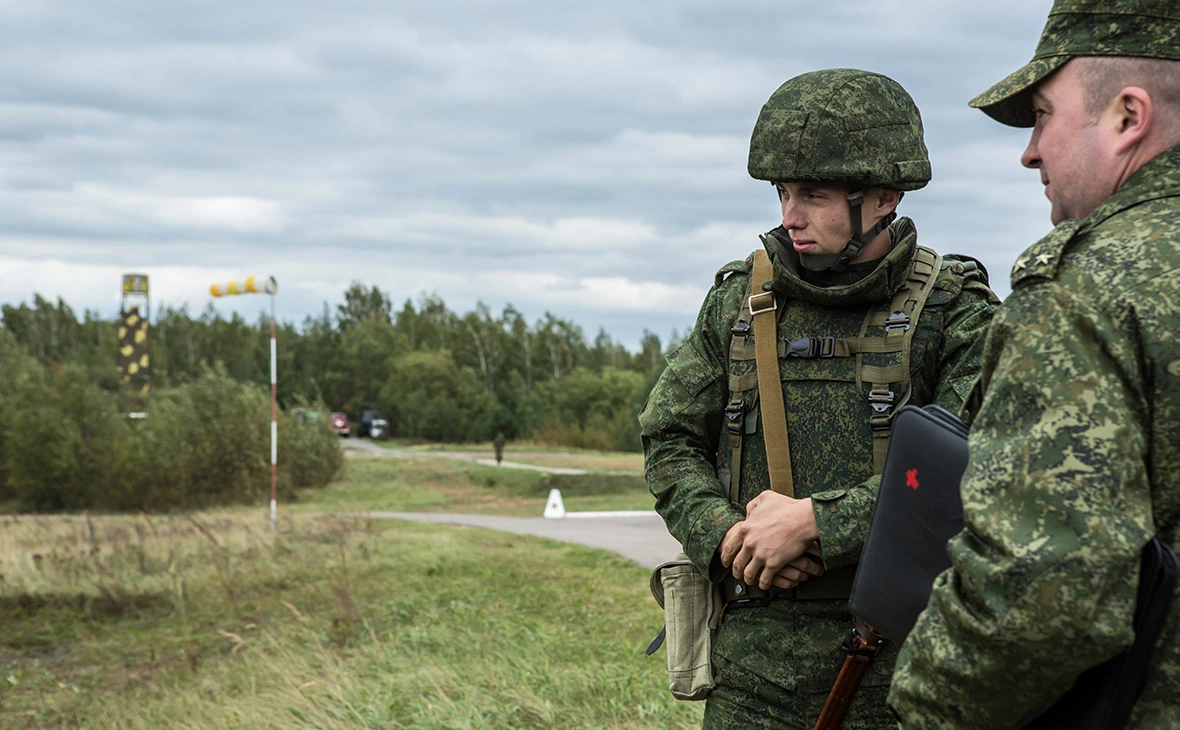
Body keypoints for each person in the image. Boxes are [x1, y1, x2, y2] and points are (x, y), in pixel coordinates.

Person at [638, 68, 999, 729]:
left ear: (884, 195)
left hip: (903, 663)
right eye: (782, 193)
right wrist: (727, 541)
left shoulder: (954, 314)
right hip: (751, 665)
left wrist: (815, 525)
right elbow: (670, 441)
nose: (789, 217)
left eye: (815, 194)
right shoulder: (737, 306)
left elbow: (973, 468)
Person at [888, 2, 1180, 728]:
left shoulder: (1091, 289)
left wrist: (925, 710)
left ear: (1127, 116)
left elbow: (1044, 594)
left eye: (1045, 114)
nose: (1030, 151)